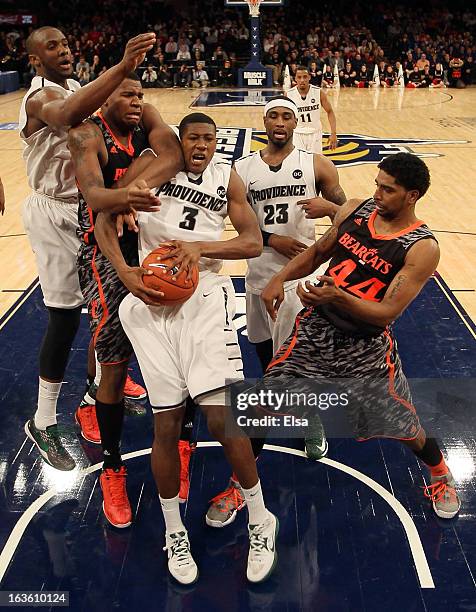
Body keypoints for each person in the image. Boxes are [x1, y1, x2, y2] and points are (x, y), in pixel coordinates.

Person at [96, 112, 278, 585]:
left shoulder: (227, 177)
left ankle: (261, 518)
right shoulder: (153, 169)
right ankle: (175, 531)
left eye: (209, 139)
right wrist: (122, 269)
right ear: (181, 141)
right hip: (149, 301)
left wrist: (204, 249)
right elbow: (102, 221)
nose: (201, 146)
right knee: (166, 423)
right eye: (193, 138)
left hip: (202, 299)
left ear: (218, 143)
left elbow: (253, 242)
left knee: (219, 416)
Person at [261, 152, 460, 521]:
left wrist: (338, 295)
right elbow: (319, 251)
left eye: (388, 189)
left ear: (412, 195)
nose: (378, 194)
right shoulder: (356, 211)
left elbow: (387, 313)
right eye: (377, 185)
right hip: (317, 327)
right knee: (266, 401)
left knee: (402, 425)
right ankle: (243, 489)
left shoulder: (421, 247)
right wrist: (280, 279)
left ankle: (439, 472)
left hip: (365, 345)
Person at [206, 97, 347, 528]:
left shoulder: (316, 163)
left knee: (291, 370)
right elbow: (238, 222)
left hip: (298, 279)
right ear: (264, 121)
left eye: (287, 115)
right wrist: (272, 238)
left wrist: (333, 210)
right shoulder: (243, 169)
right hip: (257, 277)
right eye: (274, 115)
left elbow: (351, 215)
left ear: (296, 121)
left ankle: (308, 423)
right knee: (266, 360)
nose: (280, 122)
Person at [20, 26, 155, 471]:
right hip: (52, 210)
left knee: (106, 305)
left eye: (66, 44)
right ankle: (42, 420)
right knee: (63, 317)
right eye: (52, 47)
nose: (64, 51)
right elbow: (66, 115)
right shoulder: (38, 97)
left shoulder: (79, 86)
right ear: (35, 61)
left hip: (86, 208)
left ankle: (99, 386)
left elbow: (112, 113)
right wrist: (122, 67)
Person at [68, 72, 185, 527]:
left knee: (177, 359)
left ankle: (180, 446)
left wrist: (129, 199)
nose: (137, 101)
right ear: (104, 98)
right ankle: (111, 468)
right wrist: (122, 199)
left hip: (151, 246)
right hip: (104, 256)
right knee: (113, 366)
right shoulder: (86, 134)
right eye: (127, 94)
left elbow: (172, 155)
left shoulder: (147, 117)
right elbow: (94, 196)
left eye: (140, 94)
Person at [286, 65, 338, 154]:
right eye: (299, 77)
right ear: (295, 79)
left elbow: (330, 112)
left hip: (315, 133)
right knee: (298, 164)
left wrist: (333, 133)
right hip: (297, 133)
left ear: (309, 77)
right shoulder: (289, 94)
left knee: (315, 164)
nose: (302, 80)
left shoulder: (318, 92)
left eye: (305, 77)